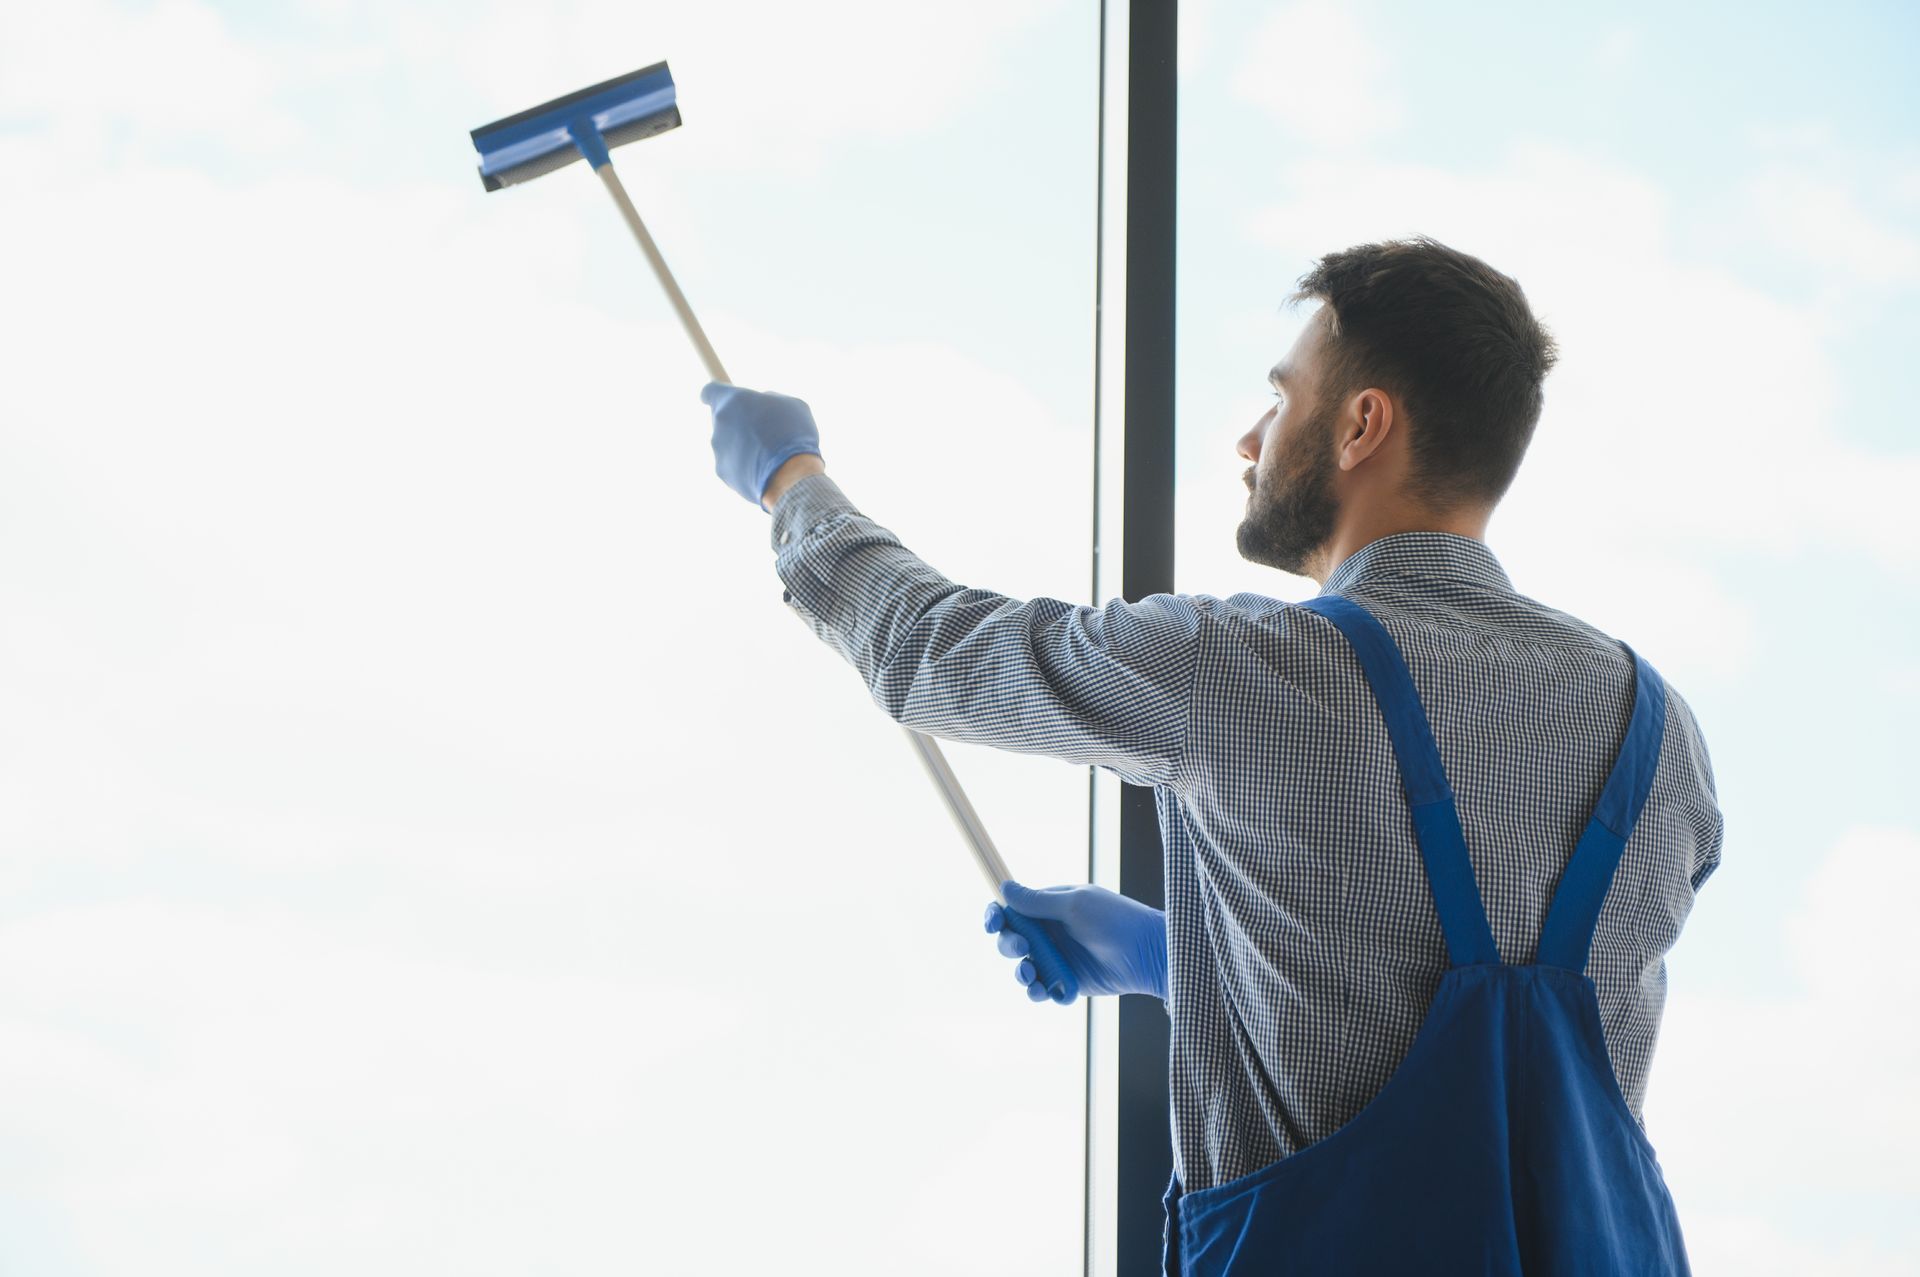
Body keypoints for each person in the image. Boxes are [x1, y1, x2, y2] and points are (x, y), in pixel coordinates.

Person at [704, 235, 1723, 1275]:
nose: (1251, 436)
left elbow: (929, 647)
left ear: (1364, 423)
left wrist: (794, 483)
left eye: (1281, 399)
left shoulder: (1246, 669)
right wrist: (1172, 956)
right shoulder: (1655, 729)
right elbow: (1495, 1099)